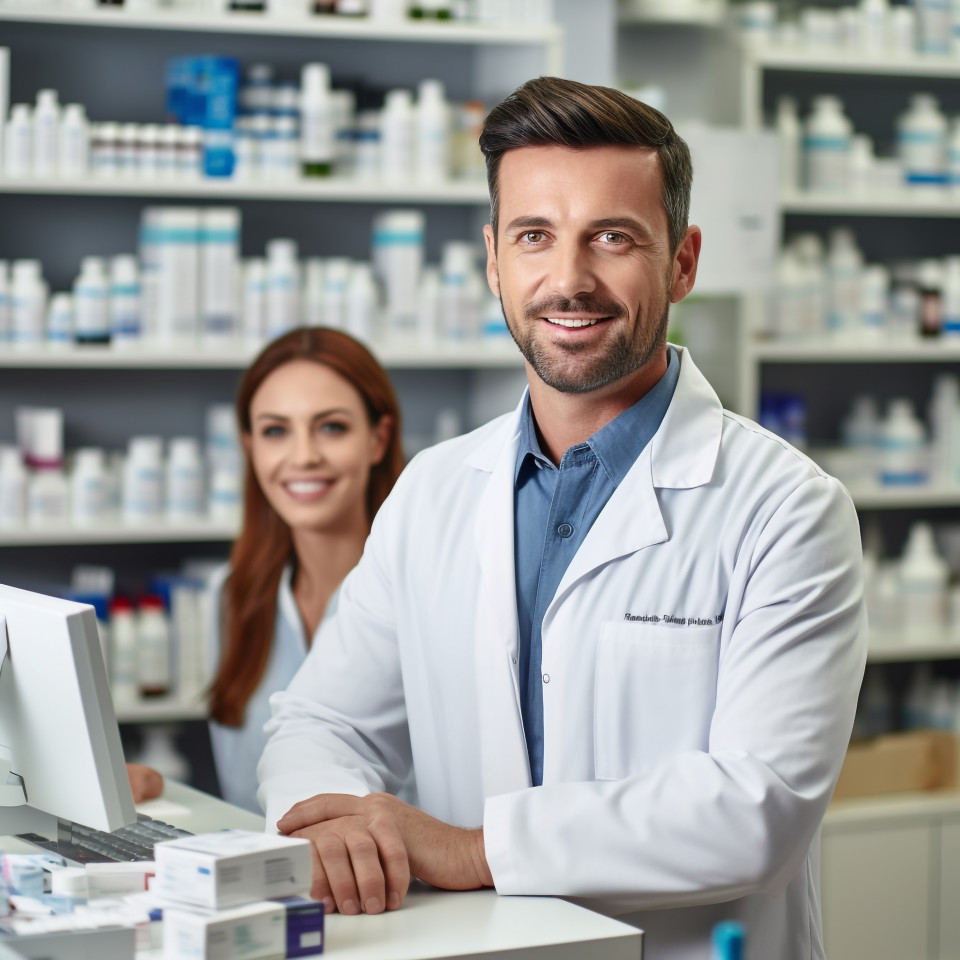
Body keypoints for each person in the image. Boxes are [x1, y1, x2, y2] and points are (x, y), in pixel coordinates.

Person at [258, 77, 867, 960]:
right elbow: (322, 723)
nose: (569, 280)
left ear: (683, 262)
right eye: (534, 236)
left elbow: (757, 808)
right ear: (495, 261)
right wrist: (334, 823)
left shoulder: (785, 509)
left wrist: (470, 850)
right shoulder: (433, 489)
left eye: (613, 237)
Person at [206, 326, 404, 813]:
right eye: (276, 431)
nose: (303, 456)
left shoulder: (424, 597)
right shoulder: (235, 599)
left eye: (331, 427)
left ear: (377, 440)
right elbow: (241, 797)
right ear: (251, 448)